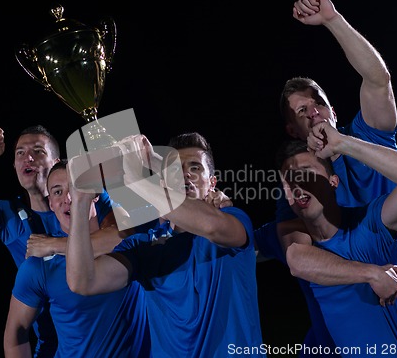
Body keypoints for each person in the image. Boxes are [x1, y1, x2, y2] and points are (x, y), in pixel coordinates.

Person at [255, 0, 397, 357]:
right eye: (301, 112)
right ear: (293, 132)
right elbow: (295, 256)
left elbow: (378, 79)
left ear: (333, 111)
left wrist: (332, 20)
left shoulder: (368, 138)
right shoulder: (297, 189)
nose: (313, 114)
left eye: (318, 104)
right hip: (354, 302)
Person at [66, 132, 266, 358]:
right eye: (175, 170)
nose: (185, 175)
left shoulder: (234, 218)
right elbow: (83, 281)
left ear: (212, 183)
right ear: (162, 183)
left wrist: (134, 179)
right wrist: (80, 202)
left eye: (196, 168)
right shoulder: (142, 246)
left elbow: (211, 226)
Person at [0, 125, 123, 357]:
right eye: (20, 153)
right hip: (56, 347)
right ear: (14, 166)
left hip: (112, 335)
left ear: (57, 161)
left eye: (38, 151)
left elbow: (124, 237)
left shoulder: (89, 197)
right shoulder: (11, 217)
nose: (29, 158)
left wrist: (53, 246)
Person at [276, 123, 397, 355]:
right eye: (289, 182)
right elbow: (294, 259)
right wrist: (372, 273)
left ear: (333, 181)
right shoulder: (289, 237)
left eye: (306, 174)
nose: (297, 185)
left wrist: (343, 143)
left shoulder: (369, 226)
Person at [4, 160, 150, 357]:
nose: (69, 198)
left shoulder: (129, 243)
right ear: (51, 204)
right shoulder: (39, 267)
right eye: (57, 192)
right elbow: (16, 333)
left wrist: (54, 244)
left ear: (95, 195)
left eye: (75, 188)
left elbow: (122, 237)